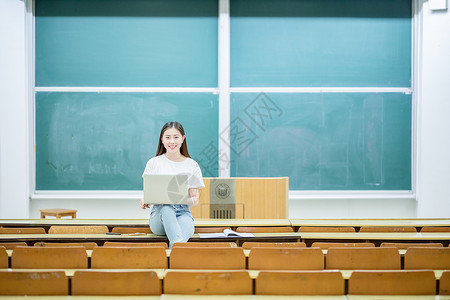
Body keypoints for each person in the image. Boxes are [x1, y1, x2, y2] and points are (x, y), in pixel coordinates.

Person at [139, 121, 204, 248]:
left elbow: (195, 200)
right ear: (162, 140)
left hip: (183, 213)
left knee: (179, 240)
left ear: (183, 139)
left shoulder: (192, 165)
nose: (172, 141)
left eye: (176, 137)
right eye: (168, 137)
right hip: (159, 214)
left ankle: (171, 258)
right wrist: (144, 199)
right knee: (166, 207)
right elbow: (148, 193)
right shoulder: (153, 163)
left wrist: (178, 198)